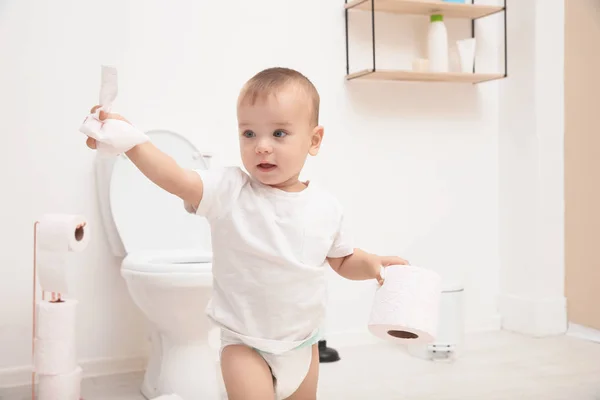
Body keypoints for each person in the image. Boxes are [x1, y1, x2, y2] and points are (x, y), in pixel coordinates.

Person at [83, 67, 408, 400]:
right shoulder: (229, 189)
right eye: (249, 133)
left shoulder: (326, 207)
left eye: (279, 134)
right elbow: (174, 177)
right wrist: (131, 142)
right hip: (245, 344)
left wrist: (372, 265)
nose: (261, 146)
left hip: (304, 345)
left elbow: (343, 260)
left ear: (314, 140)